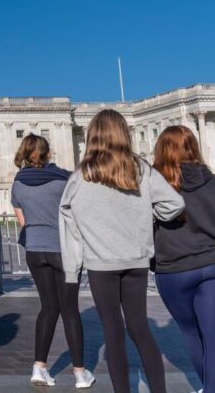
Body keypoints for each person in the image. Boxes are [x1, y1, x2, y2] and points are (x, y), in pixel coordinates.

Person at [60, 109, 184, 393]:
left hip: (100, 264)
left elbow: (70, 227)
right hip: (136, 260)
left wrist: (72, 270)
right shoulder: (141, 169)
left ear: (92, 136)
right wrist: (147, 217)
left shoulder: (81, 177)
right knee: (140, 329)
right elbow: (175, 205)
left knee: (113, 333)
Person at [11, 134, 94, 388]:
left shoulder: (18, 183)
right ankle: (80, 373)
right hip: (63, 250)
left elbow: (22, 221)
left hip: (35, 250)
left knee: (48, 308)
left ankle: (39, 368)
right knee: (70, 310)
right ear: (47, 153)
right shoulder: (65, 179)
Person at [152, 125, 215, 392]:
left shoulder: (153, 186)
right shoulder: (212, 181)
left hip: (173, 269)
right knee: (212, 338)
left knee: (191, 333)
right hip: (211, 263)